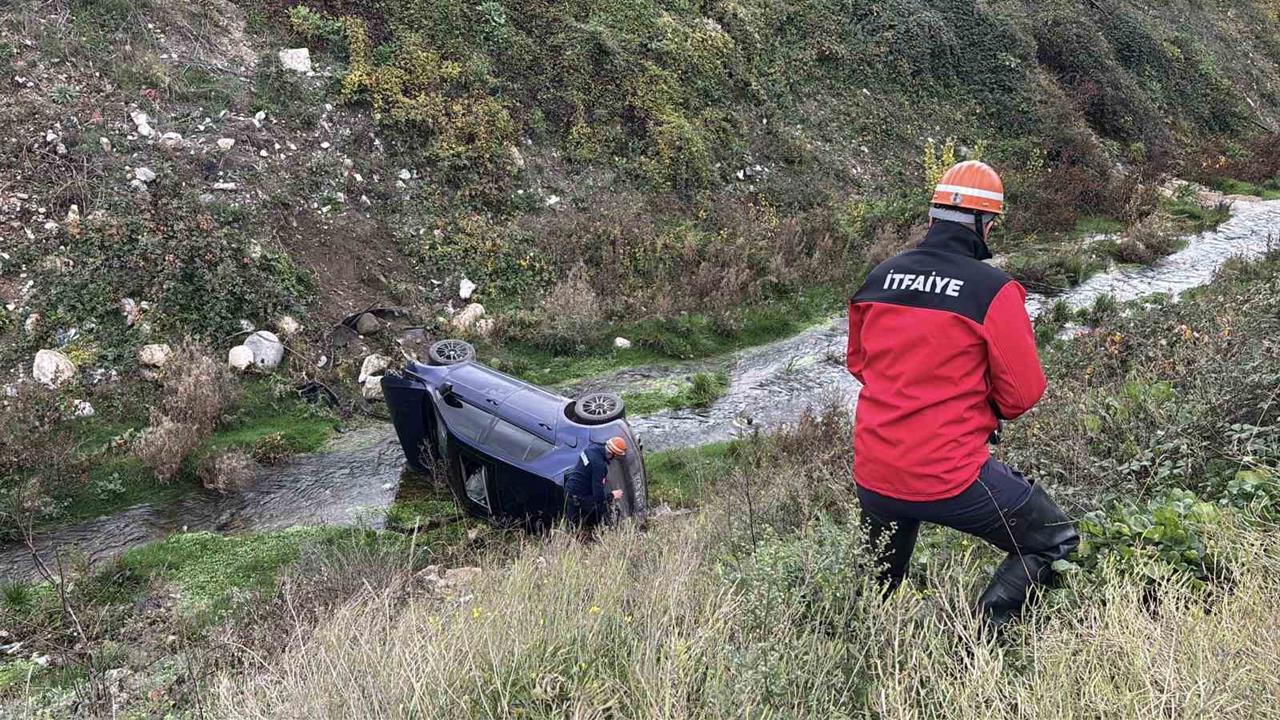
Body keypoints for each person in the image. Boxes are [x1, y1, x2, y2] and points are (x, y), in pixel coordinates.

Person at [846, 160, 1080, 628]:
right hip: (949, 477)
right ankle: (980, 640)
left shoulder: (878, 279)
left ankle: (857, 643)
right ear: (986, 227)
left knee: (877, 581)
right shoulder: (993, 291)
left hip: (875, 472)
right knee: (1052, 538)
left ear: (932, 218)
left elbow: (859, 365)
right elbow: (1022, 395)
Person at [564, 435, 627, 536]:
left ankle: (573, 537)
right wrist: (612, 496)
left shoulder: (592, 448)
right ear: (611, 454)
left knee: (572, 527)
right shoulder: (599, 465)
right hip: (579, 498)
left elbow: (588, 470)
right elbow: (598, 498)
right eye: (616, 457)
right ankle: (602, 534)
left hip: (570, 488)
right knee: (602, 508)